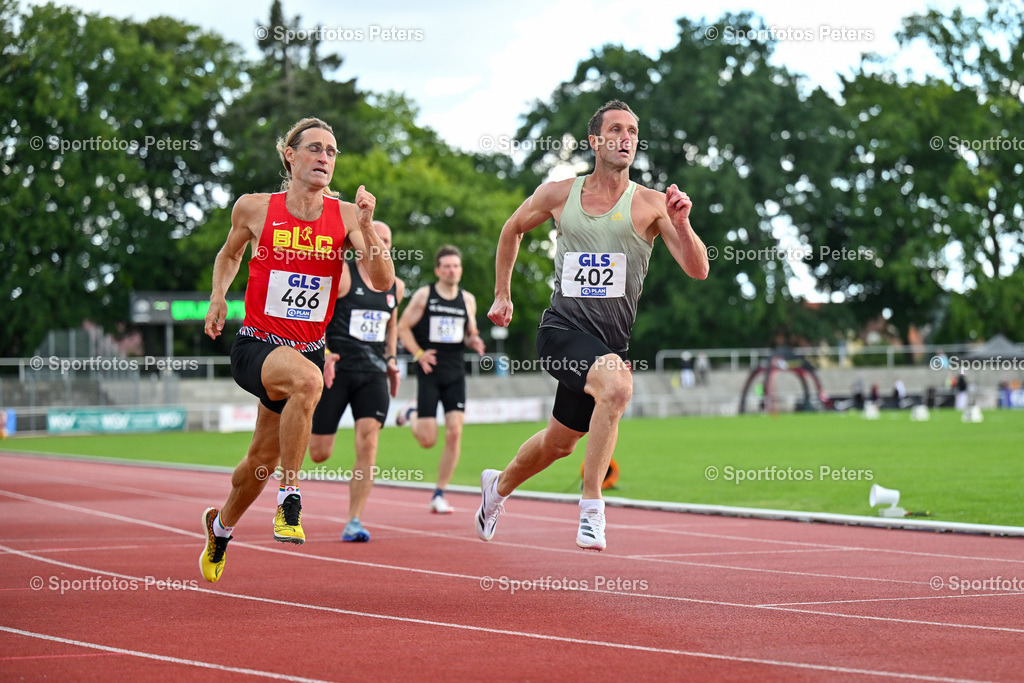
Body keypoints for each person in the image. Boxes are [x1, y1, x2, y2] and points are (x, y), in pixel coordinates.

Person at [476, 100, 708, 551]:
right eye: (616, 129)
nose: (626, 138)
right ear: (595, 141)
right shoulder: (559, 194)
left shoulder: (651, 205)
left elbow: (697, 269)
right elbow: (512, 228)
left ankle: (496, 487)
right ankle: (592, 507)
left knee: (558, 444)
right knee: (619, 387)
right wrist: (502, 294)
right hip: (561, 332)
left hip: (607, 348)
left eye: (633, 131)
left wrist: (682, 223)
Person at [199, 117, 395, 582]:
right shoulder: (254, 208)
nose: (324, 158)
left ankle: (221, 527)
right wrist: (218, 296)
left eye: (331, 151)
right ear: (290, 155)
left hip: (306, 348)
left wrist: (367, 229)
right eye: (315, 148)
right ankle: (291, 498)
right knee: (309, 382)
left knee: (259, 461)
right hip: (257, 345)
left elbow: (384, 281)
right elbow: (230, 254)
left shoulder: (347, 215)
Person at [307, 221, 405, 542]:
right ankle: (295, 417)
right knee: (319, 452)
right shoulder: (343, 274)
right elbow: (316, 317)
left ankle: (354, 520)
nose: (381, 243)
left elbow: (391, 326)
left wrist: (391, 359)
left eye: (387, 239)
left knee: (369, 443)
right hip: (337, 370)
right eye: (374, 237)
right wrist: (323, 355)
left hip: (373, 373)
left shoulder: (396, 286)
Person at [395, 245, 486, 514]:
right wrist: (419, 354)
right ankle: (411, 412)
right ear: (437, 270)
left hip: (455, 371)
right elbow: (402, 327)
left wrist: (475, 341)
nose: (451, 270)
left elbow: (468, 334)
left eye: (456, 266)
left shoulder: (467, 299)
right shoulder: (425, 295)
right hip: (430, 370)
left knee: (455, 432)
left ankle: (439, 493)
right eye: (446, 266)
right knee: (427, 440)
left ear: (460, 269)